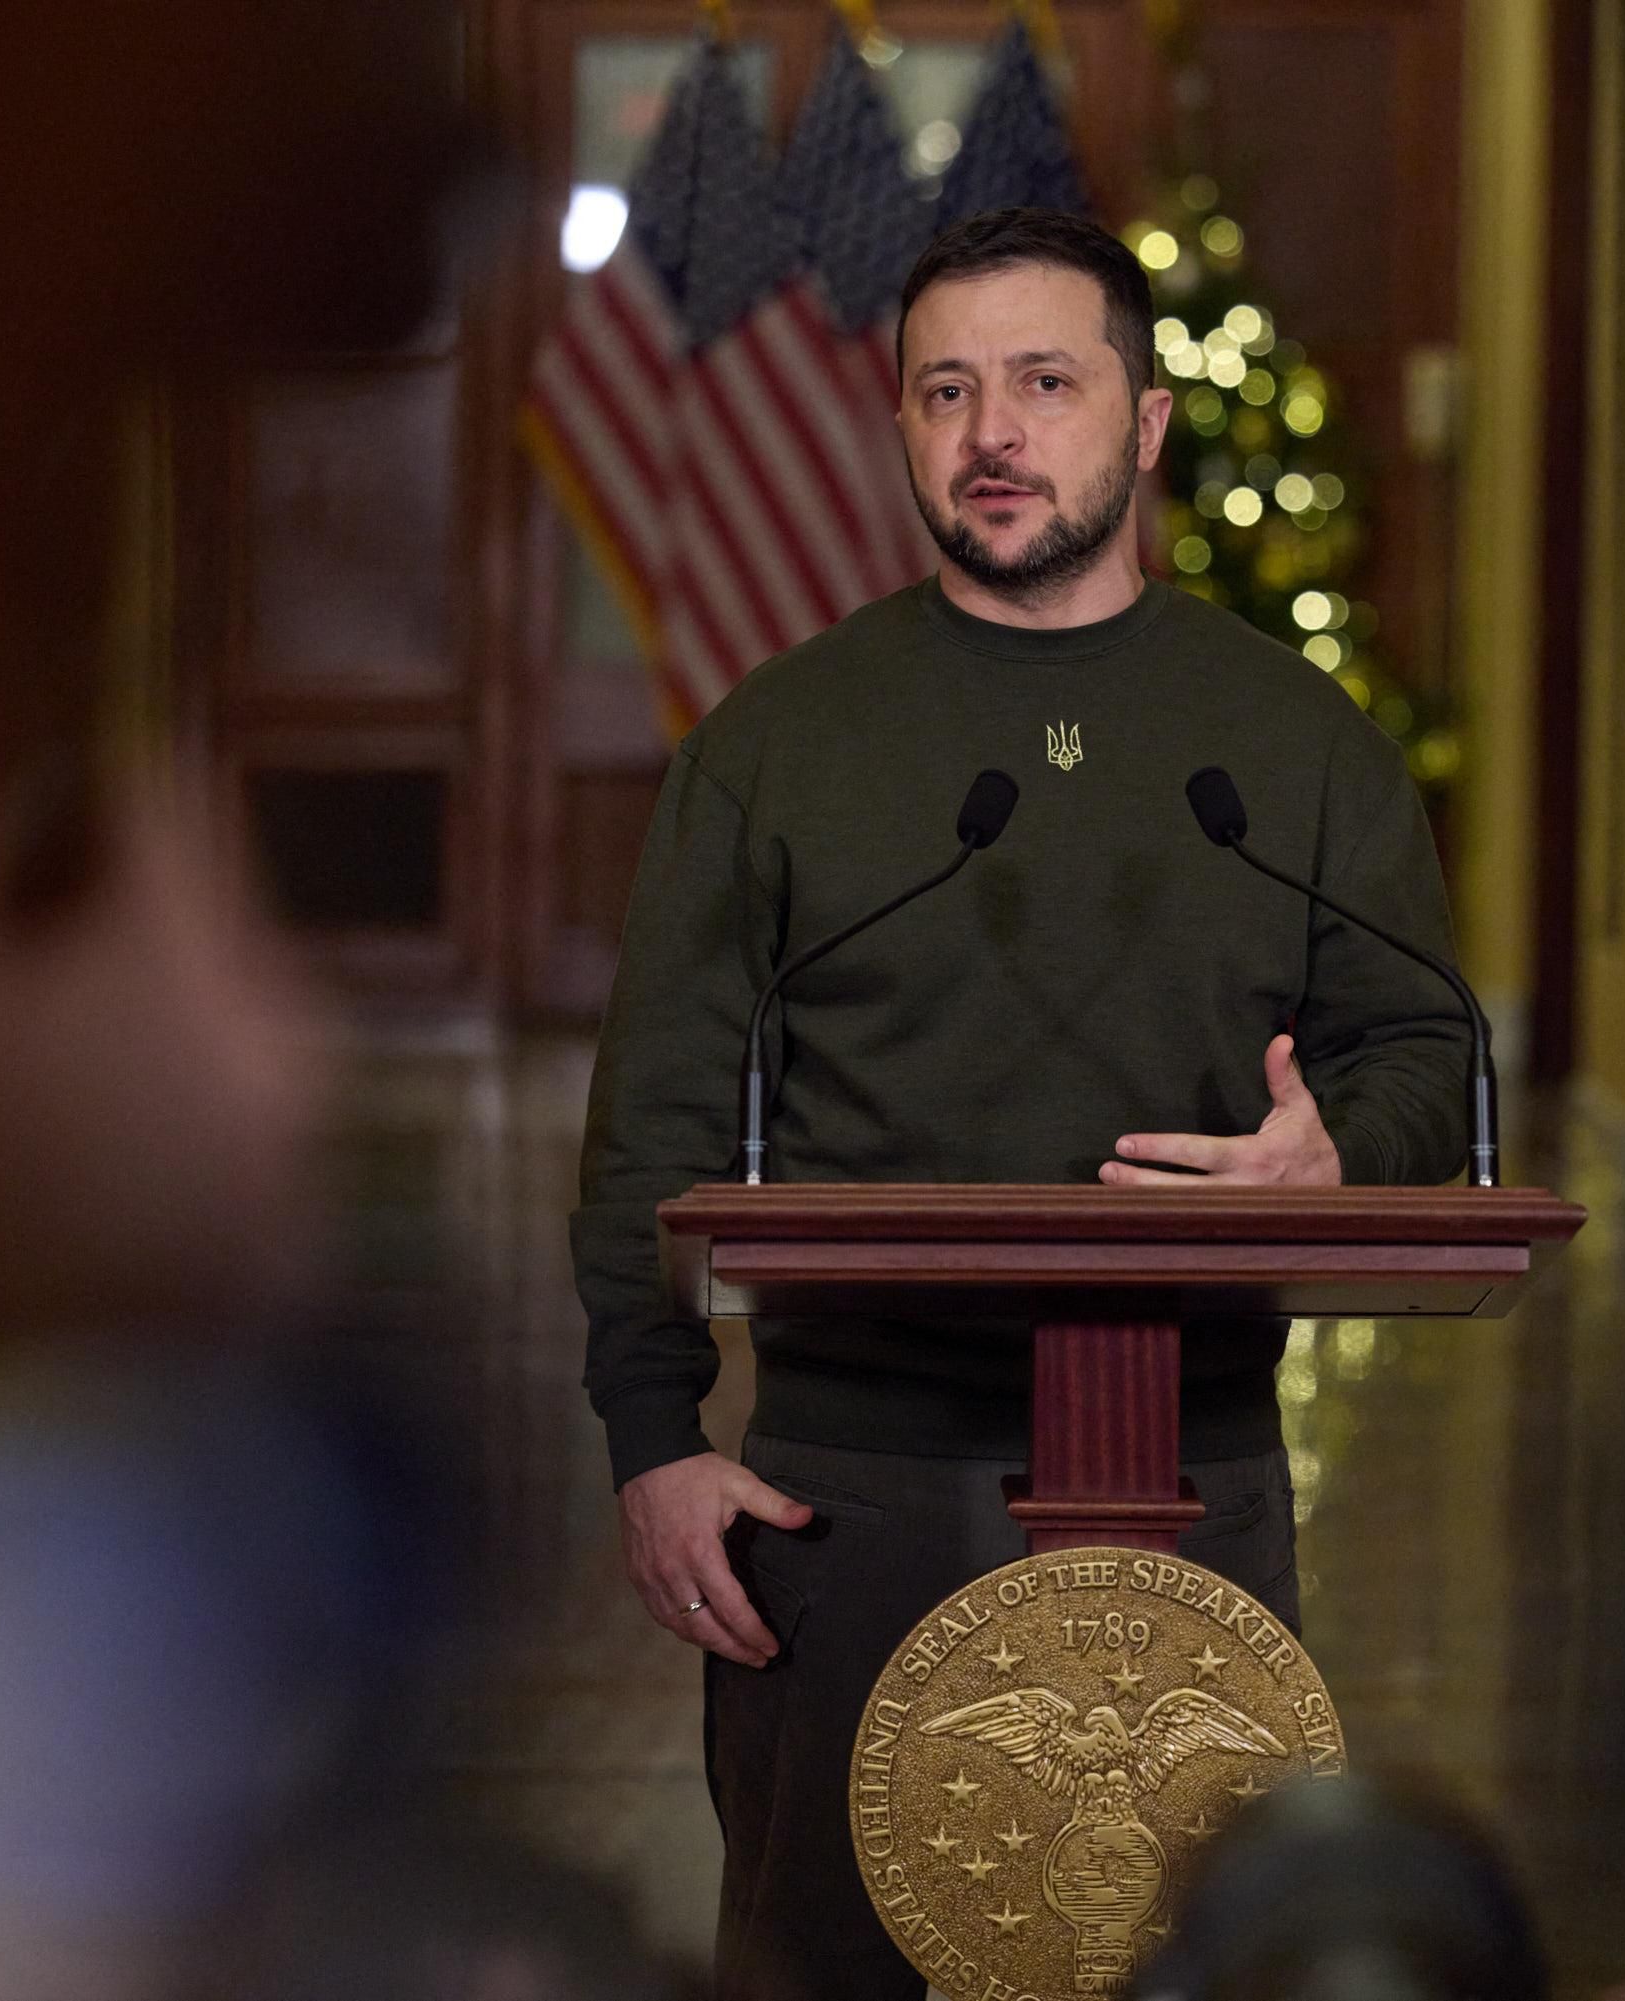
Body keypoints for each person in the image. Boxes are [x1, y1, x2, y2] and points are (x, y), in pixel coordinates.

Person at [571, 206, 1473, 2001]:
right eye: (948, 391)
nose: (994, 432)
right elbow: (655, 1117)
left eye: (1046, 384)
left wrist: (1336, 1153)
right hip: (842, 1494)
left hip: (1195, 1477)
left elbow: (1425, 1058)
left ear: (1143, 423)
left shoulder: (1292, 745)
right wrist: (654, 1438)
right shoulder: (778, 743)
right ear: (903, 427)